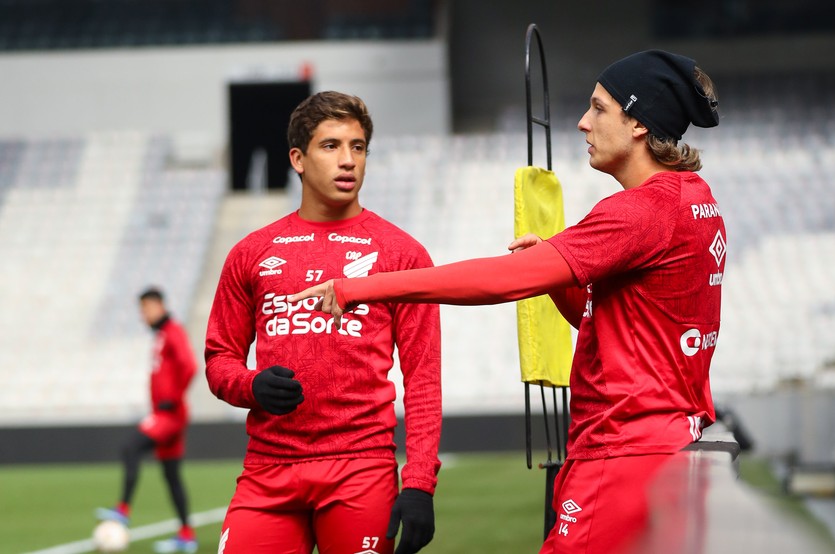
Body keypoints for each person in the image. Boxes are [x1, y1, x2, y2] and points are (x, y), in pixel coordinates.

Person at [290, 50, 724, 554]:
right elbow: (616, 323)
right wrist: (559, 276)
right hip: (662, 442)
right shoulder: (696, 198)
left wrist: (359, 287)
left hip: (624, 452)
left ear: (638, 124)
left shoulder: (639, 211)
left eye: (599, 108)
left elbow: (501, 282)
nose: (584, 123)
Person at [205, 91, 442, 554]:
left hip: (360, 469)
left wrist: (419, 483)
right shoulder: (252, 253)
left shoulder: (403, 255)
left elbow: (424, 380)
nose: (348, 160)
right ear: (298, 158)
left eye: (358, 147)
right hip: (267, 471)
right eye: (330, 146)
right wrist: (251, 386)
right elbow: (219, 360)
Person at [96, 287, 199, 554]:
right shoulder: (162, 335)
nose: (142, 316)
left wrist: (173, 398)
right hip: (169, 413)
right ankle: (187, 535)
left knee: (130, 447)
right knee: (171, 475)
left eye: (144, 310)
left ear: (156, 305)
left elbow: (190, 366)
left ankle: (123, 509)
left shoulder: (173, 331)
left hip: (169, 414)